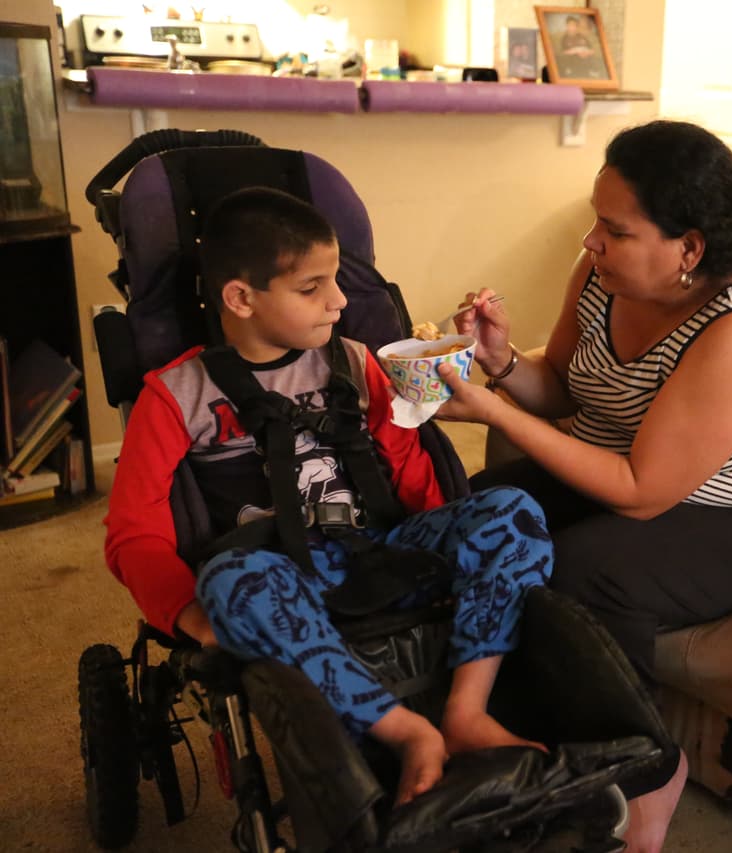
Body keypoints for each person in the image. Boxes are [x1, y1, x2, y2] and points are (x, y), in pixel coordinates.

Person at [437, 119, 732, 852]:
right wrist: (497, 361)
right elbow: (559, 388)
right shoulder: (600, 275)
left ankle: (649, 770)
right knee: (484, 508)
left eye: (613, 230)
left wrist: (490, 410)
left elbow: (641, 491)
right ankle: (488, 719)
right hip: (632, 462)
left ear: (688, 248)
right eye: (596, 221)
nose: (591, 241)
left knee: (590, 571)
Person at [104, 187, 553, 808]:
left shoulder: (357, 363)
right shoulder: (176, 396)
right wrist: (192, 617)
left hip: (383, 548)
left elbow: (404, 465)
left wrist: (447, 538)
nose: (340, 302)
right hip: (281, 576)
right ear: (240, 297)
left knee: (512, 510)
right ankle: (407, 733)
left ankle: (467, 710)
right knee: (231, 582)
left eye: (337, 280)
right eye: (312, 288)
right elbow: (136, 533)